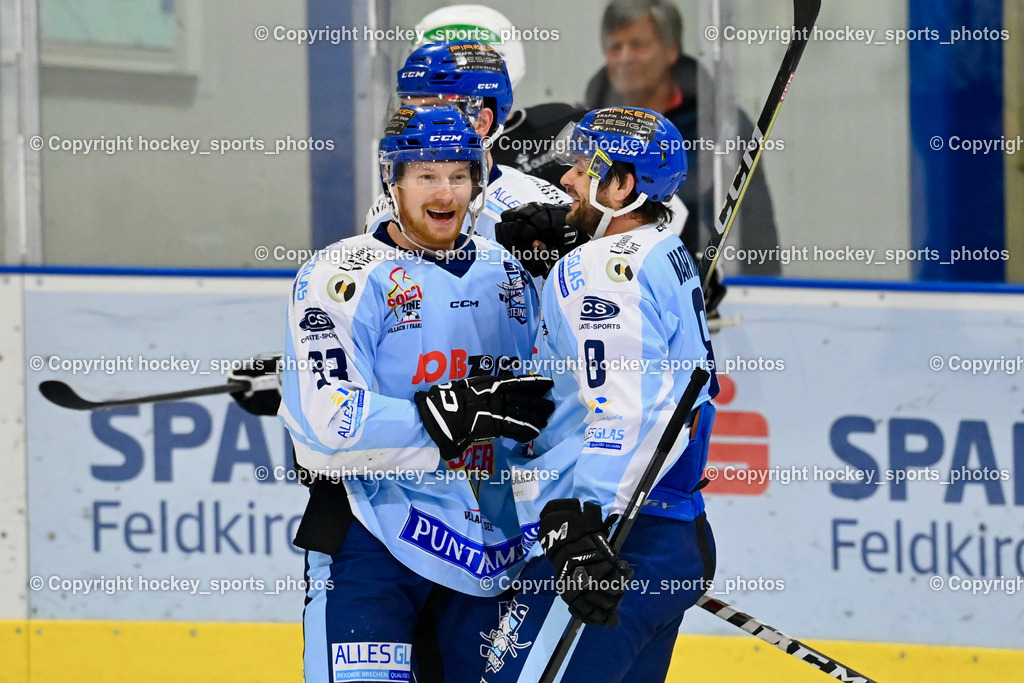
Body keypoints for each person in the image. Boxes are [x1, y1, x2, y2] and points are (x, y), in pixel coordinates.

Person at [279, 105, 554, 683]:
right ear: (393, 181)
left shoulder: (509, 273)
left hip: (489, 548)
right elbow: (324, 427)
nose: (445, 191)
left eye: (458, 174)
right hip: (372, 536)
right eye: (425, 175)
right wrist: (451, 416)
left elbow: (560, 395)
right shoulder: (343, 276)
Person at [479, 107, 718, 682]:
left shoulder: (599, 271)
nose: (566, 180)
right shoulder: (665, 247)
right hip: (673, 536)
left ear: (622, 185)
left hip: (613, 543)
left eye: (585, 169)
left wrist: (579, 518)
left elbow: (633, 409)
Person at [585, 0, 781, 277]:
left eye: (638, 44)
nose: (624, 57)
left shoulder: (720, 125)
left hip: (697, 291)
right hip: (612, 284)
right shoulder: (591, 127)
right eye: (615, 47)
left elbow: (752, 222)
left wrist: (759, 297)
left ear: (671, 50)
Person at [364, 40, 569, 241]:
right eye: (407, 110)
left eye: (435, 109)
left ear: (481, 121)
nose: (414, 125)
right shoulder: (387, 205)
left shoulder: (539, 214)